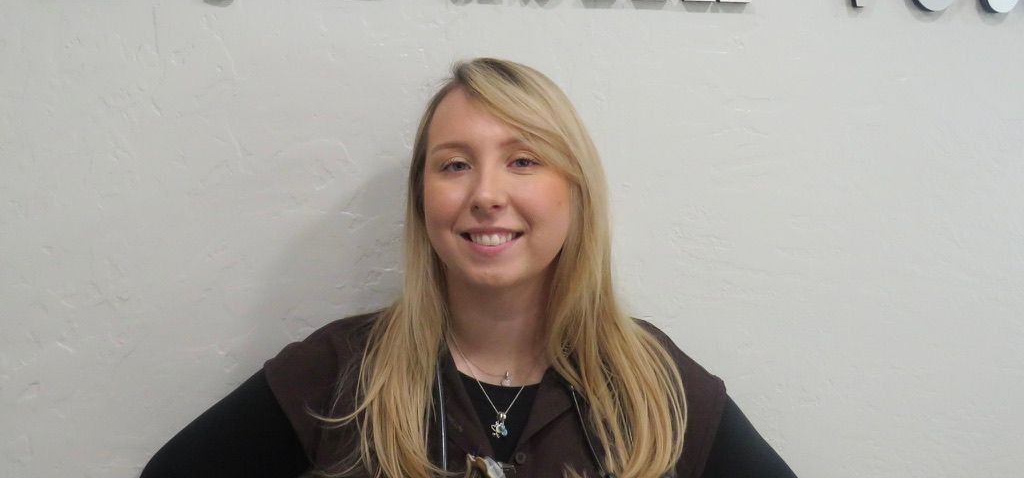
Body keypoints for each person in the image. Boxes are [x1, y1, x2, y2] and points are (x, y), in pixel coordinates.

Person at [142, 58, 797, 478]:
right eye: (455, 164)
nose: (486, 194)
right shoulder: (343, 375)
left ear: (575, 193)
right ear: (422, 200)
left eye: (522, 161)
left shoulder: (653, 384)